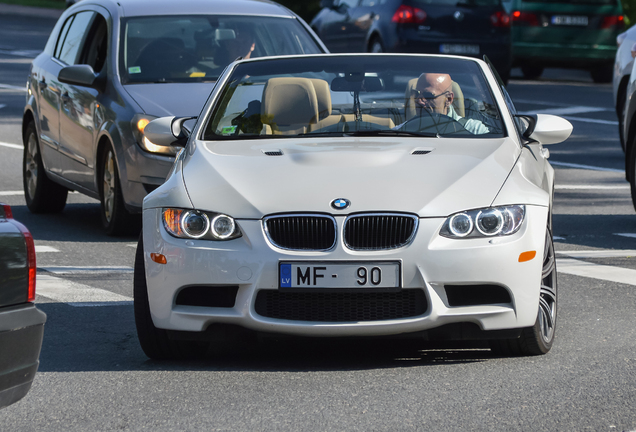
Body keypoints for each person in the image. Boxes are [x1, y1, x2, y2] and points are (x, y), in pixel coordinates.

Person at [410, 73, 489, 135]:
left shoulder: (475, 131)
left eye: (428, 95)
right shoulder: (402, 131)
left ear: (448, 99)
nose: (419, 101)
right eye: (417, 94)